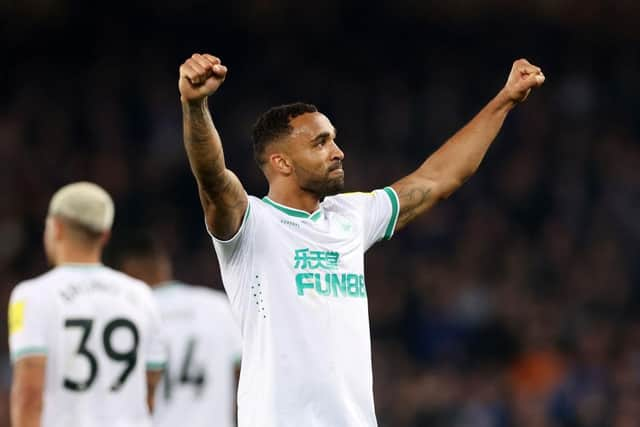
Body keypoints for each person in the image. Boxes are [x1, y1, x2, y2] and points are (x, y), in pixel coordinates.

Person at [177, 53, 545, 426]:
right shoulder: (252, 224)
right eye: (320, 143)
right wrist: (195, 105)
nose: (338, 152)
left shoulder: (350, 216)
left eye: (333, 140)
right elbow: (212, 178)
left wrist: (506, 99)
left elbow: (436, 180)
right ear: (281, 162)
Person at [8, 182, 166, 427]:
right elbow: (150, 387)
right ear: (104, 236)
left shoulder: (31, 296)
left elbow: (28, 395)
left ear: (56, 228)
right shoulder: (142, 296)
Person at [108, 231, 242, 427]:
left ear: (126, 272)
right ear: (163, 265)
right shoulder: (218, 306)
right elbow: (247, 375)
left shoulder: (128, 318)